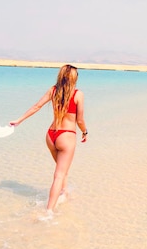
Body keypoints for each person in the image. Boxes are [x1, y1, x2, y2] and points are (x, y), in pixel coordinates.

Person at [9, 64, 88, 219]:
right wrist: (85, 132)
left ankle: (65, 194)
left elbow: (37, 106)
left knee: (61, 170)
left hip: (51, 135)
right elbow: (79, 119)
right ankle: (49, 211)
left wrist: (19, 120)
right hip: (66, 135)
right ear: (74, 78)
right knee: (59, 174)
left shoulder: (54, 90)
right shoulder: (78, 94)